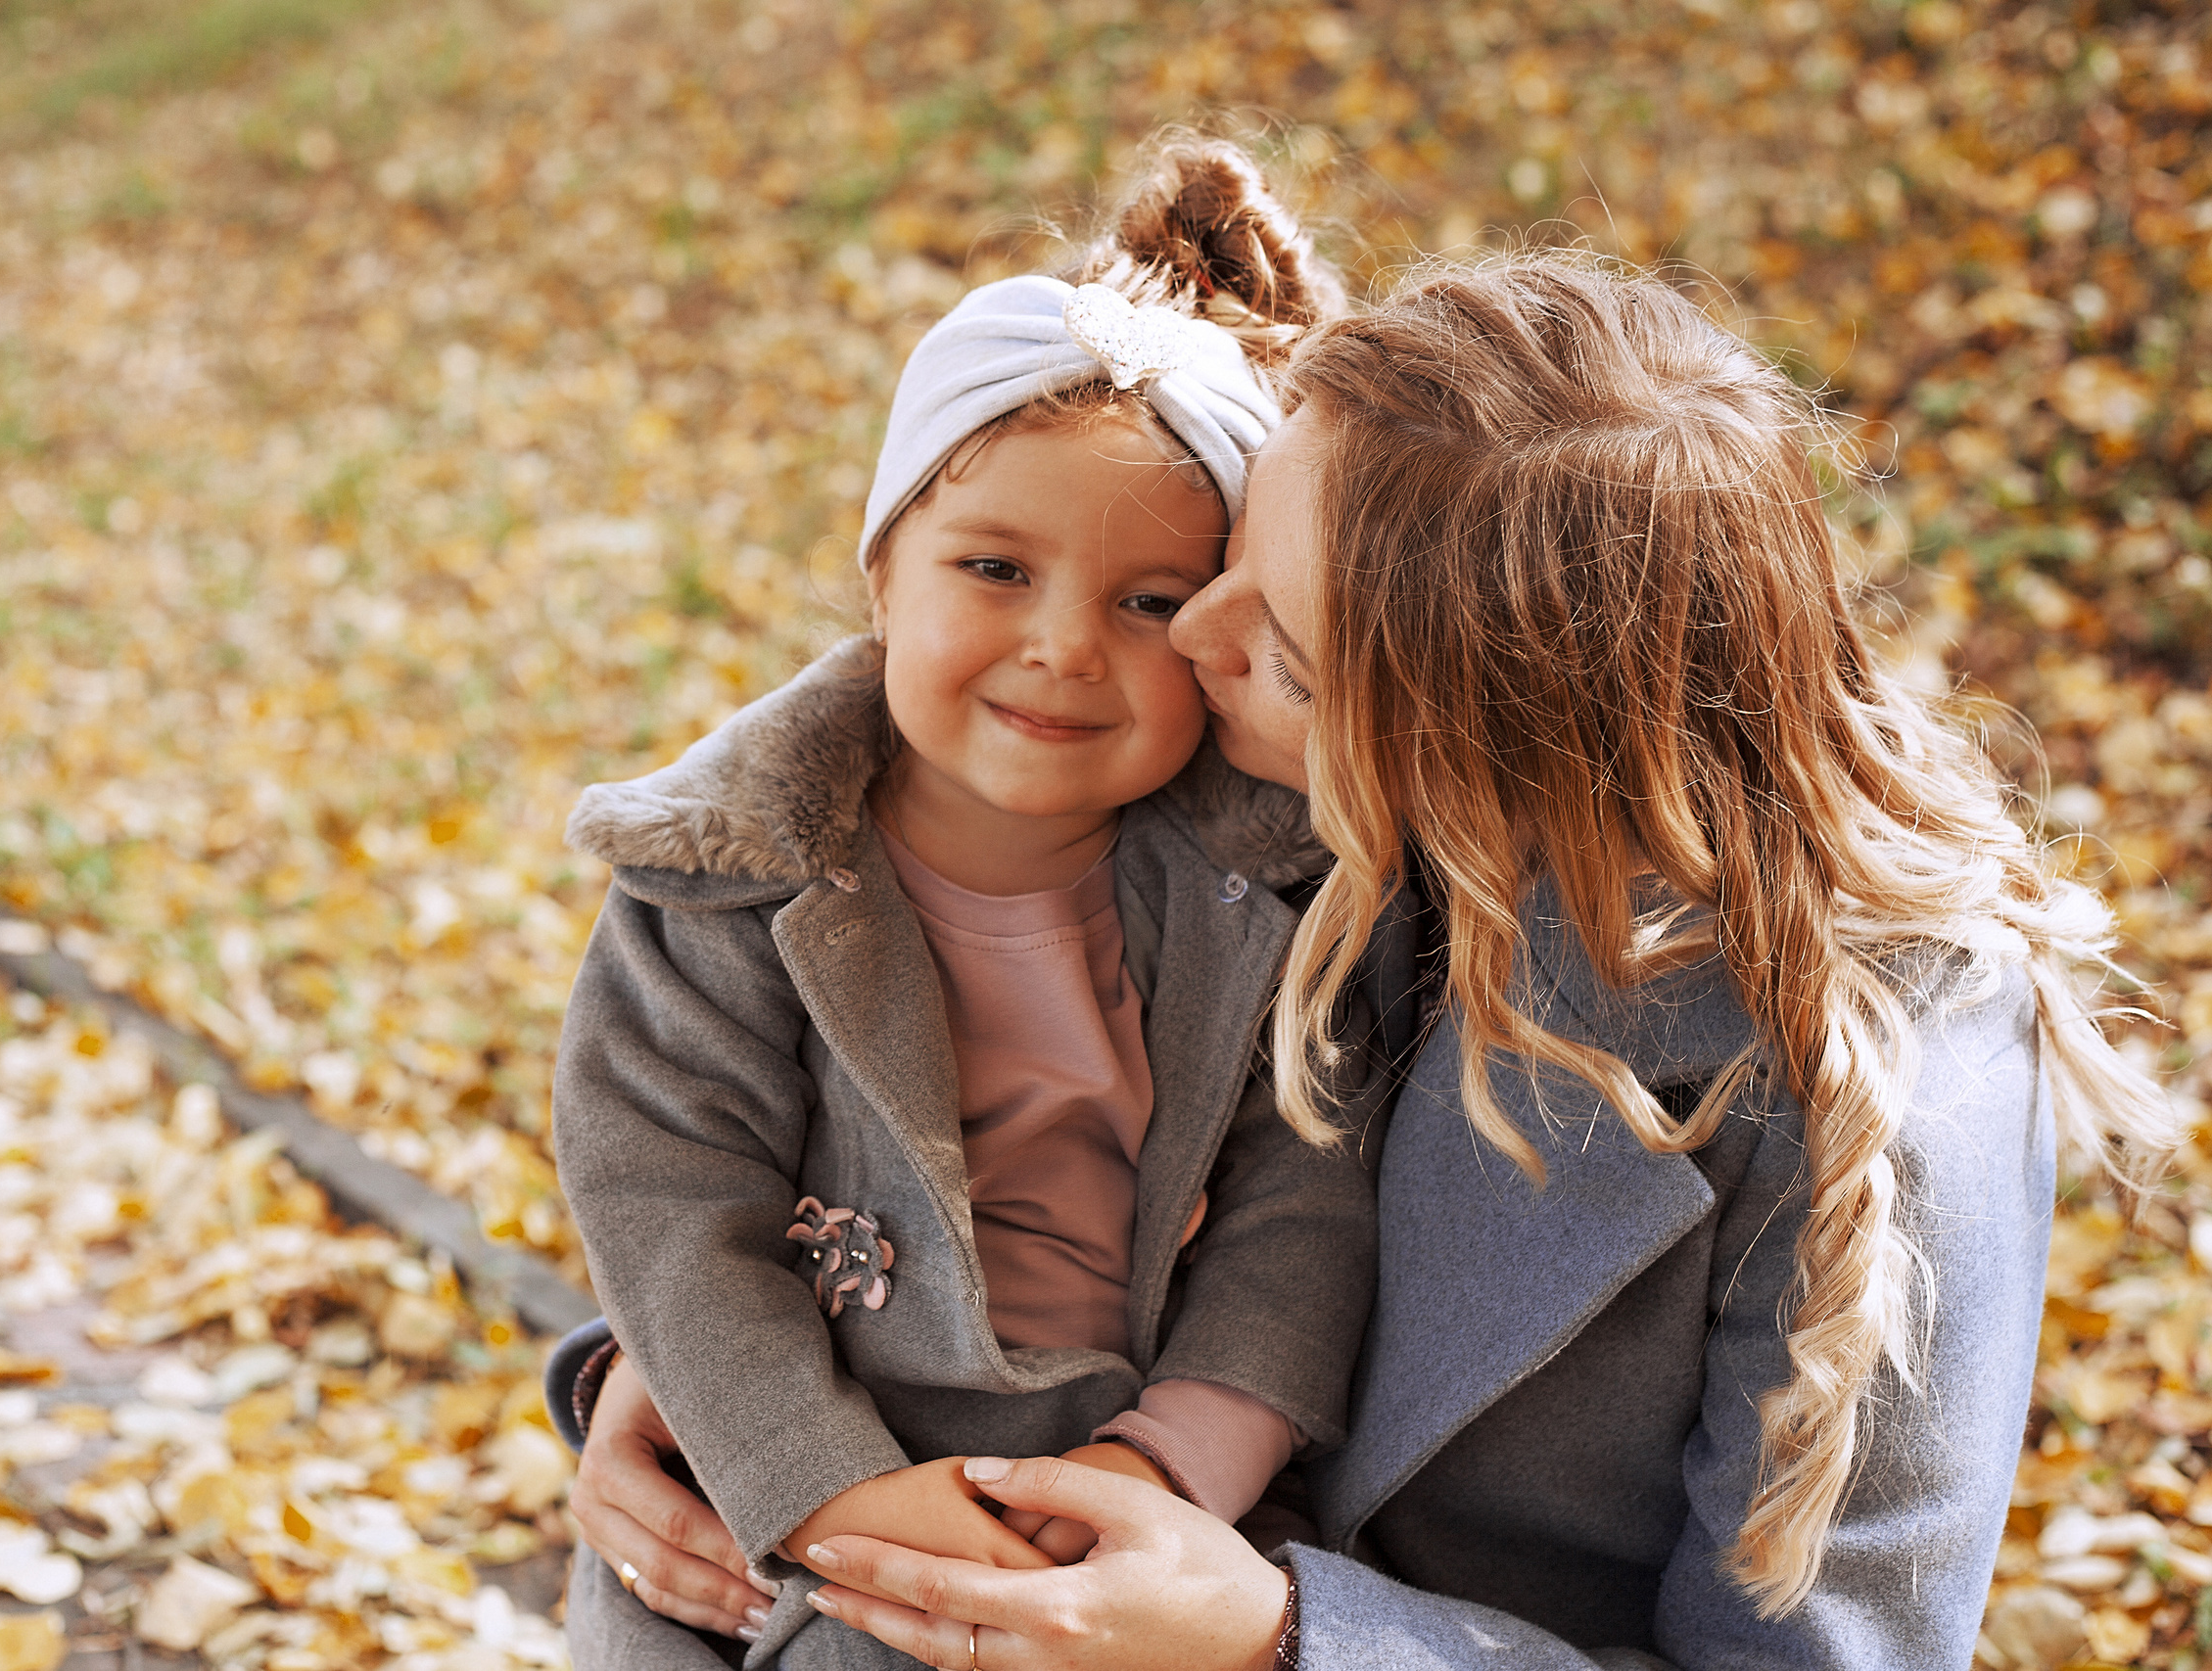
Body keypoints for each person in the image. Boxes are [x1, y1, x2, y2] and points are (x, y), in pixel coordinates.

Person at [555, 251, 2182, 1668]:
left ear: (1488, 743)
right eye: (1231, 560)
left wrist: (1278, 1640)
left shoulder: (1886, 1086)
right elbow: (896, 1080)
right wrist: (688, 1395)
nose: (1182, 647)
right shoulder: (1293, 820)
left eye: (1270, 646)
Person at [547, 142, 1426, 1669]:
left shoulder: (1272, 903)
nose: (1066, 646)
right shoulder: (725, 885)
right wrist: (828, 1495)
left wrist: (1163, 1471)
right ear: (885, 571)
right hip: (791, 1499)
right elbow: (675, 1211)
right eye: (994, 568)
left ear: (1225, 627)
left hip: (1121, 1510)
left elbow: (1302, 1214)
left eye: (1149, 602)